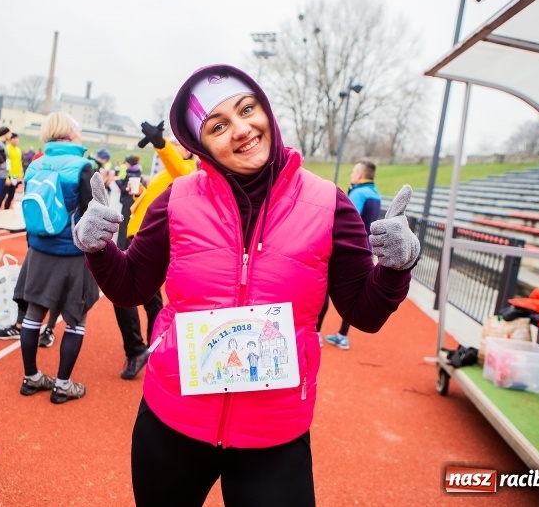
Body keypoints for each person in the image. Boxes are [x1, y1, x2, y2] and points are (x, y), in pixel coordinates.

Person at [74, 64, 420, 506]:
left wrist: (396, 267)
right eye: (218, 125)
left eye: (246, 109)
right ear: (201, 144)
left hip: (274, 437)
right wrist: (98, 248)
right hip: (172, 423)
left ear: (266, 111)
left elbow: (365, 314)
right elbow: (132, 288)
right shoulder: (176, 200)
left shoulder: (329, 204)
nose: (240, 130)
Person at [13, 112, 98, 404]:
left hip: (38, 250)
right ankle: (62, 385)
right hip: (73, 254)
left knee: (32, 316)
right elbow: (94, 214)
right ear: (71, 132)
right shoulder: (84, 166)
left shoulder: (35, 164)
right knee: (76, 318)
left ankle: (31, 377)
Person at [111, 123, 197, 381]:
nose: (172, 144)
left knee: (123, 291)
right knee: (150, 298)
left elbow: (178, 167)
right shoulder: (170, 172)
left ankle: (140, 349)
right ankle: (154, 345)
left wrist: (161, 143)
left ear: (190, 151)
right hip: (137, 234)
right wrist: (136, 198)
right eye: (170, 141)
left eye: (176, 143)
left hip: (148, 238)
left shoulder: (187, 170)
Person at [323, 159, 383, 350]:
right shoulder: (376, 195)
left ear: (359, 175)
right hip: (366, 248)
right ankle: (342, 335)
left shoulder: (358, 193)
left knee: (322, 289)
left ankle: (315, 332)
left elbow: (346, 221)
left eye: (353, 172)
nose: (351, 175)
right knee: (354, 293)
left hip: (347, 249)